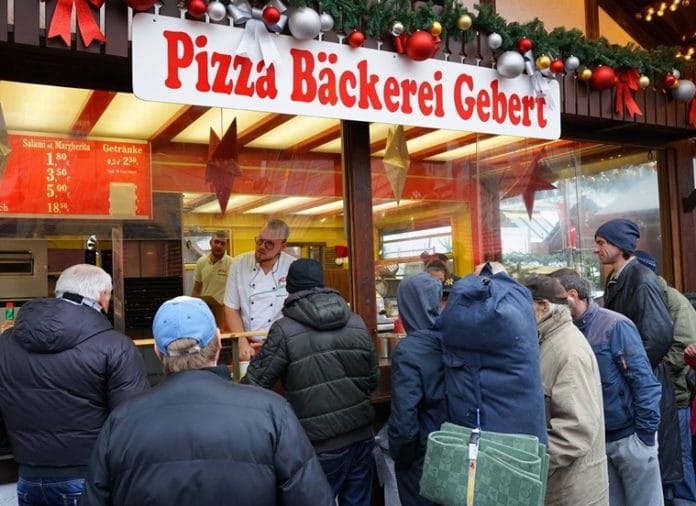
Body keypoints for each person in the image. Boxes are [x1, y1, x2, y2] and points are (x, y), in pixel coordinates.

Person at [81, 296, 333, 506]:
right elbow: (312, 498)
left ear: (157, 351)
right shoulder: (271, 411)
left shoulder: (122, 421)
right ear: (219, 341)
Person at [0, 264, 150, 506]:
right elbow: (133, 424)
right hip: (90, 480)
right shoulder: (115, 346)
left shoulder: (5, 344)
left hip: (28, 479)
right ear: (102, 296)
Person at [243, 259, 378, 506]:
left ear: (290, 288)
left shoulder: (284, 330)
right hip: (361, 437)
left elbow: (253, 385)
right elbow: (372, 381)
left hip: (317, 445)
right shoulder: (357, 322)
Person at [550, 268, 664, 506]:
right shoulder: (562, 332)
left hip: (631, 437)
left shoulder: (615, 325)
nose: (550, 305)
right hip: (597, 443)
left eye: (555, 298)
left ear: (572, 294)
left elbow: (644, 382)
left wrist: (644, 438)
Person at [593, 218, 683, 494]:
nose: (596, 249)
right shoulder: (617, 279)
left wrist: (627, 370)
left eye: (601, 243)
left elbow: (659, 336)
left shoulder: (641, 278)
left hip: (642, 389)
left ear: (620, 246)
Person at [438, 263, 548, 444]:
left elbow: (442, 328)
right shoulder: (520, 304)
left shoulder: (479, 317)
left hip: (488, 446)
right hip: (528, 441)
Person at [525, 275, 609, 506]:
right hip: (563, 487)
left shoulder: (569, 350)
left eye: (525, 306)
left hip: (572, 492)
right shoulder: (550, 340)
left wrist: (527, 462)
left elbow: (576, 431)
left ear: (543, 306)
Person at [635, 250, 696, 505]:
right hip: (650, 393)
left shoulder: (674, 300)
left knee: (680, 457)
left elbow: (684, 345)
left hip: (675, 395)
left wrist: (647, 369)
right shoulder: (638, 297)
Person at [388, 272, 446, 506]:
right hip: (455, 446)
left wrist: (400, 458)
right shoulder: (452, 337)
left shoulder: (409, 350)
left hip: (423, 456)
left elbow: (405, 421)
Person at [224, 218, 295, 361]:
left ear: (282, 246)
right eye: (260, 240)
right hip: (248, 343)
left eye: (269, 244)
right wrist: (242, 342)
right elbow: (231, 308)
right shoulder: (239, 264)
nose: (262, 246)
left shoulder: (293, 267)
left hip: (283, 343)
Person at [191, 230, 233, 327]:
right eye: (216, 242)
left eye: (222, 243)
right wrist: (193, 309)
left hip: (225, 313)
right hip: (206, 311)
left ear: (226, 245)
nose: (219, 245)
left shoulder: (232, 263)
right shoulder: (201, 262)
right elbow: (196, 289)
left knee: (224, 340)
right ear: (210, 243)